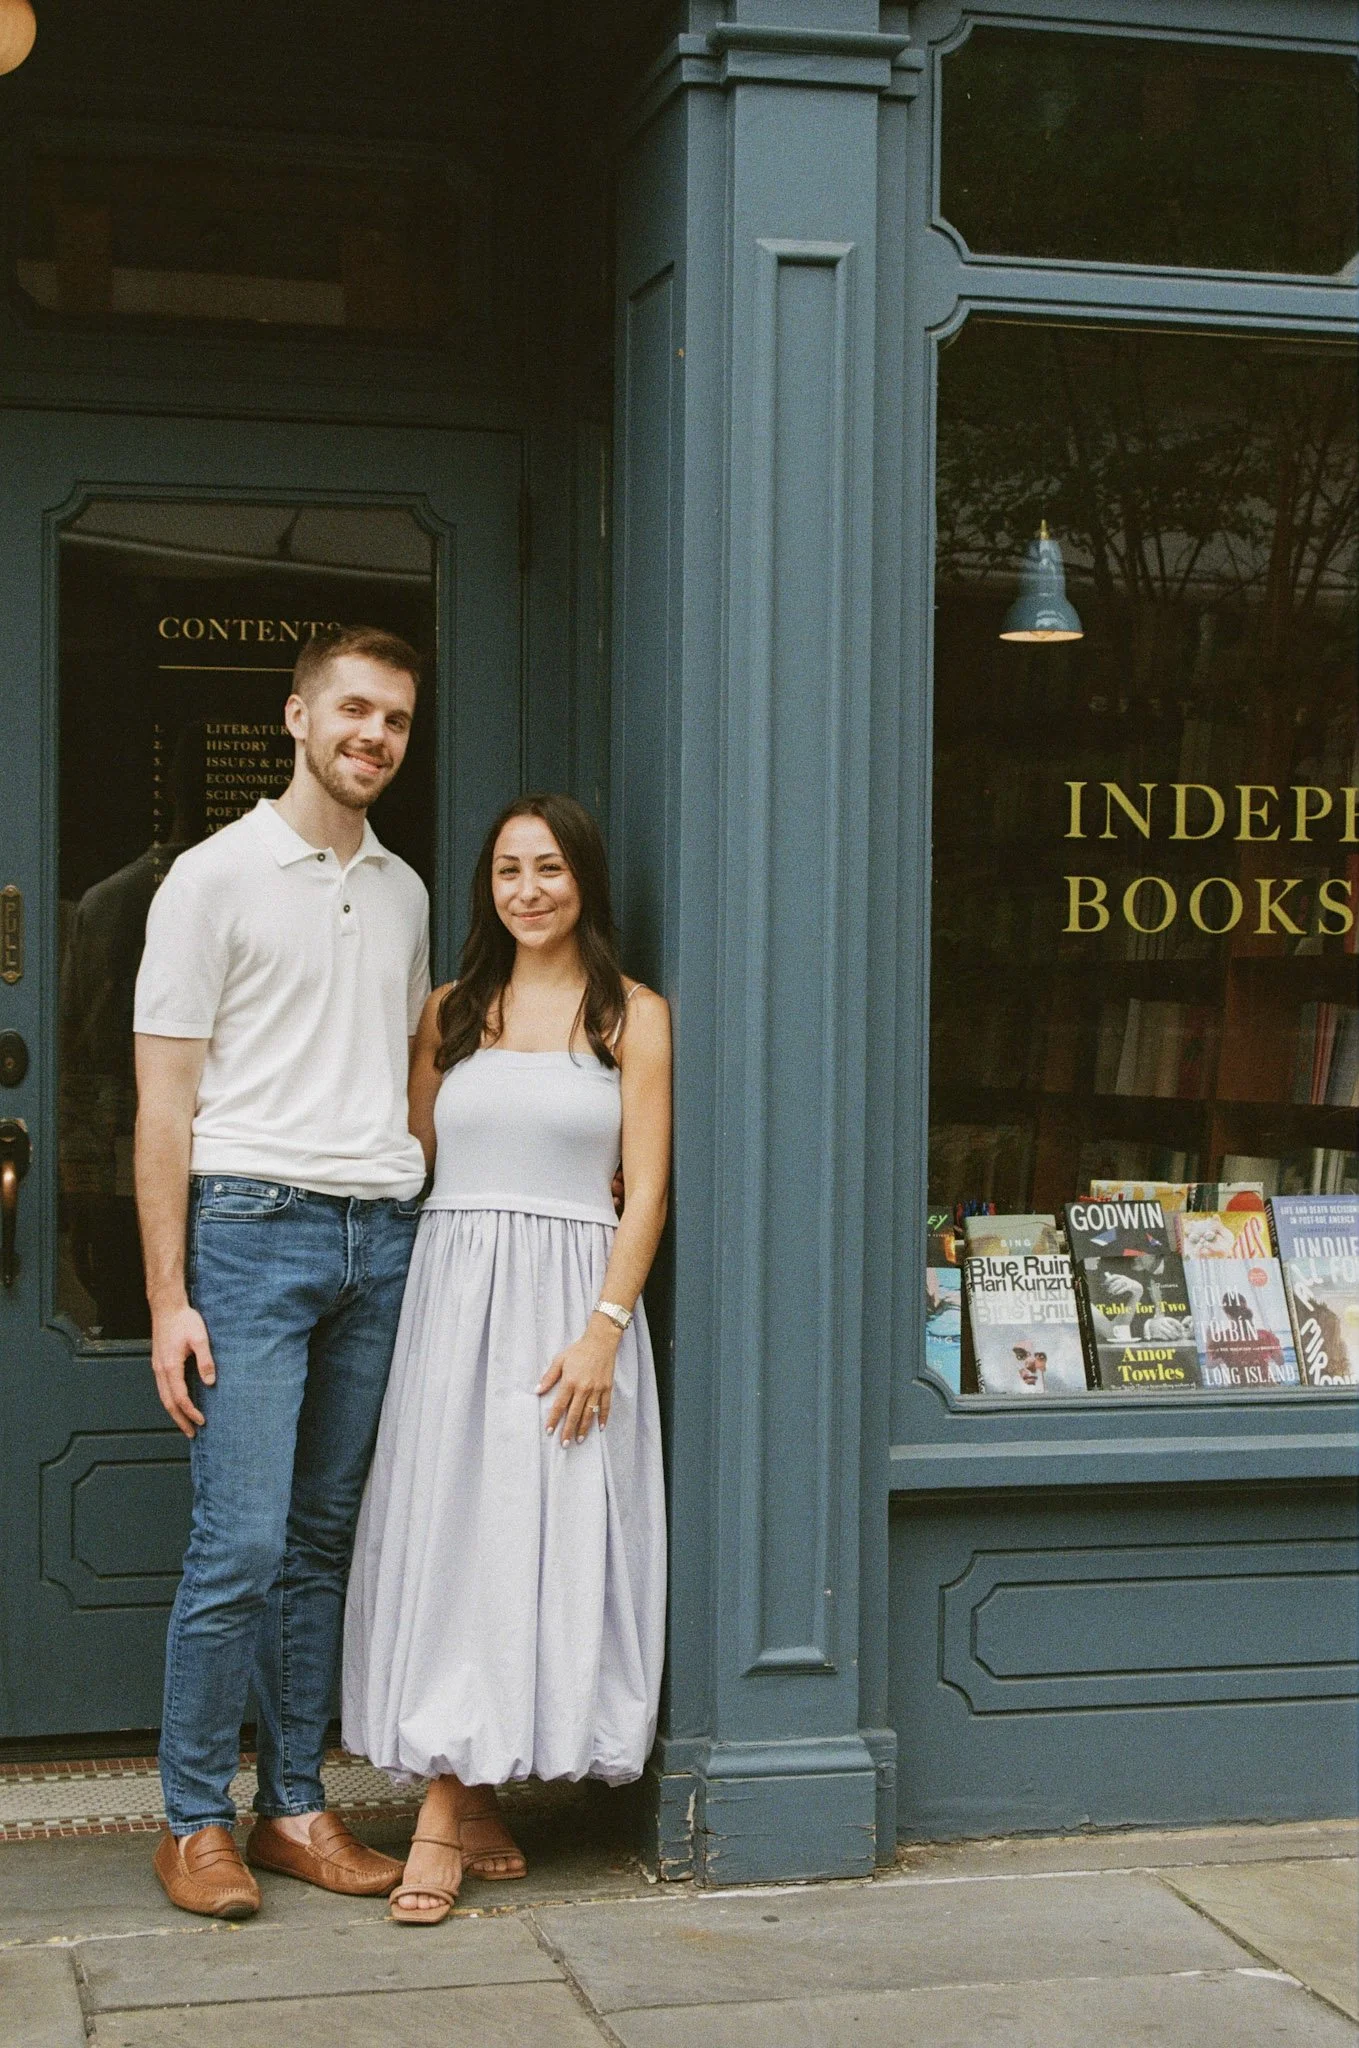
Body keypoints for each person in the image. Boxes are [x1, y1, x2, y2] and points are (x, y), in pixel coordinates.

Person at [133, 626, 429, 1920]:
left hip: (381, 1235)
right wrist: (165, 1297)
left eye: (397, 722)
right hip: (248, 1232)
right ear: (297, 716)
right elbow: (163, 1104)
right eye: (353, 711)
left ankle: (295, 1810)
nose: (373, 737)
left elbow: (410, 1075)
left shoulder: (409, 892)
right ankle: (194, 1820)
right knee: (240, 1541)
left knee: (319, 1545)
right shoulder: (210, 878)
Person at [342, 793, 670, 1925]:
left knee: (531, 1539)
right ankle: (456, 1797)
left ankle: (457, 1798)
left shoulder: (633, 1017)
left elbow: (648, 1187)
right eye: (507, 869)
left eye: (549, 868)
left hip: (566, 1309)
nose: (527, 889)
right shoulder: (452, 1010)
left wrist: (604, 1329)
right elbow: (407, 1156)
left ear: (584, 878)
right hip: (453, 1300)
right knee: (454, 1538)